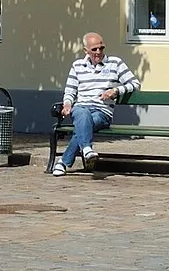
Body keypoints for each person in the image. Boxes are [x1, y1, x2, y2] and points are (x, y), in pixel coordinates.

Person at [53, 31, 139, 174]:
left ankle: (66, 160)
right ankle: (85, 150)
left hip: (102, 112)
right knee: (82, 113)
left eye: (101, 48)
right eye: (94, 49)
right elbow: (70, 91)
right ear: (86, 50)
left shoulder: (115, 63)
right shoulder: (77, 65)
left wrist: (116, 91)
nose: (98, 52)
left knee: (83, 127)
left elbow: (135, 84)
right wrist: (67, 104)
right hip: (81, 108)